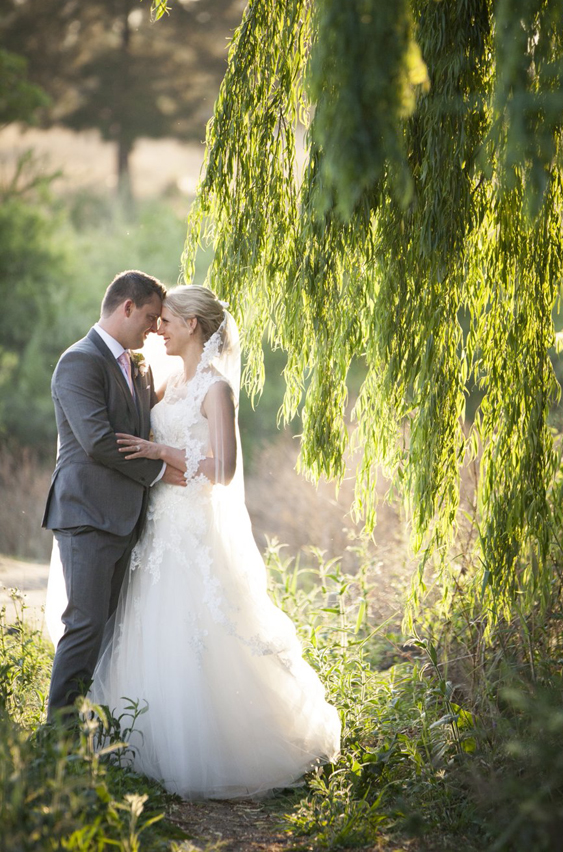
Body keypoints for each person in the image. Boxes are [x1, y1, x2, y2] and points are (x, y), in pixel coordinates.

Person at [91, 285, 341, 798]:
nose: (158, 328)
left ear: (194, 327)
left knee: (199, 626)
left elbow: (224, 470)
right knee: (149, 624)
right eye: (156, 320)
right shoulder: (168, 383)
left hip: (193, 530)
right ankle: (140, 742)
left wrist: (163, 451)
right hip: (159, 524)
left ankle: (222, 748)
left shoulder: (216, 390)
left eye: (168, 320)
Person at [43, 270, 185, 722]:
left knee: (108, 630)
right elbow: (99, 441)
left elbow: (147, 427)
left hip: (126, 516)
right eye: (148, 317)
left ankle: (89, 733)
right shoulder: (78, 361)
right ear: (126, 307)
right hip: (86, 514)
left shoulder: (140, 366)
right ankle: (55, 740)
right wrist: (162, 469)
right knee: (84, 625)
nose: (152, 328)